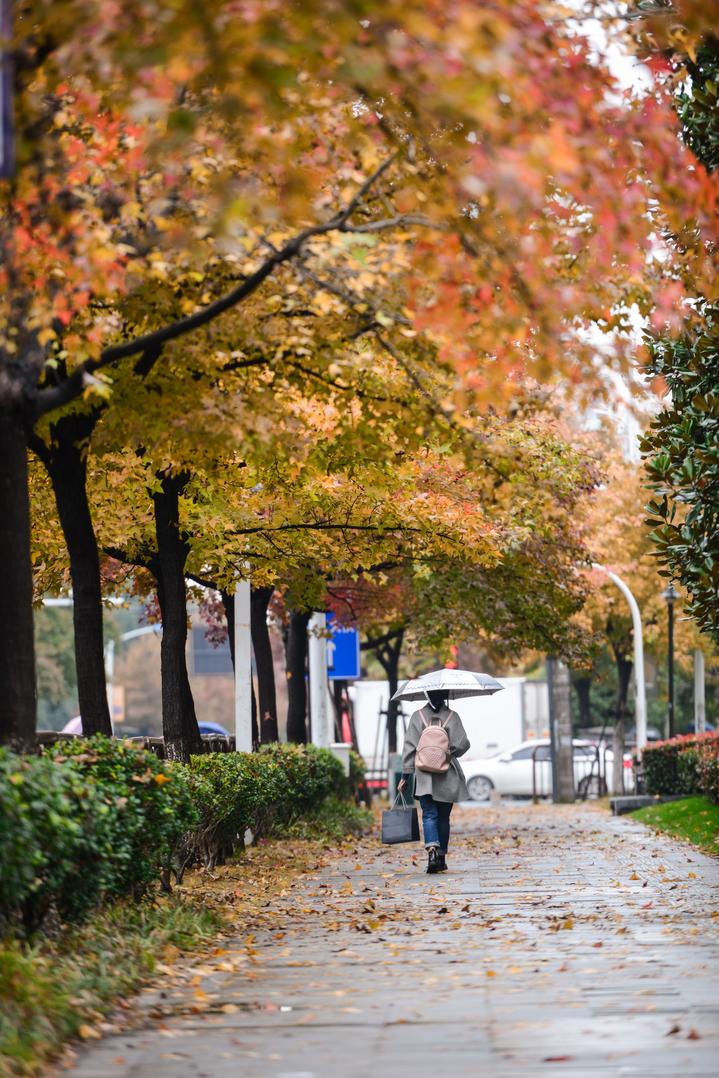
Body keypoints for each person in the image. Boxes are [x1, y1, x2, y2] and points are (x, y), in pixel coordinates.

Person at [398, 689, 470, 874]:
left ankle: (432, 852)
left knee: (429, 815)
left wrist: (405, 776)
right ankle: (442, 858)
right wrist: (448, 752)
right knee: (444, 817)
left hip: (424, 776)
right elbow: (463, 745)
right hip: (447, 774)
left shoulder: (417, 716)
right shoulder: (452, 716)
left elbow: (409, 748)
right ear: (446, 695)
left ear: (427, 695)